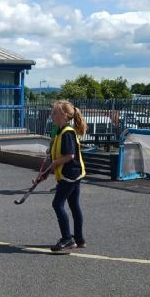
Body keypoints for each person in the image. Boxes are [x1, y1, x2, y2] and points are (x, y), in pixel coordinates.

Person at [47, 100, 87, 251]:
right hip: (74, 173)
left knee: (57, 204)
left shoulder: (67, 132)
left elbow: (69, 155)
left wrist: (55, 163)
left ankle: (67, 239)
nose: (52, 116)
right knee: (74, 205)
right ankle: (79, 239)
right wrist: (51, 153)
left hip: (69, 174)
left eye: (55, 113)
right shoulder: (61, 131)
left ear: (64, 115)